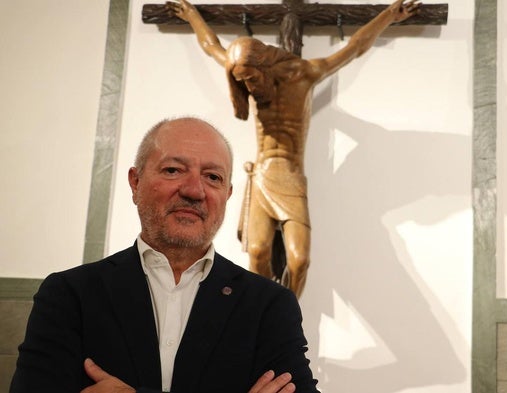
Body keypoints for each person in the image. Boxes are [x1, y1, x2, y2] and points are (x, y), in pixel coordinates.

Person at [10, 117, 319, 393]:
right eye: (174, 170)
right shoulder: (69, 296)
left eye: (213, 177)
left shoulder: (268, 305)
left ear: (227, 195)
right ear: (135, 181)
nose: (195, 190)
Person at [167, 0, 420, 298]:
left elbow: (354, 47)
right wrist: (192, 15)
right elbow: (211, 46)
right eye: (241, 81)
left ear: (264, 64)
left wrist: (389, 15)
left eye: (251, 77)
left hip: (291, 177)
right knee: (258, 252)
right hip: (262, 176)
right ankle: (264, 313)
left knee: (300, 260)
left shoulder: (304, 75)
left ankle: (287, 312)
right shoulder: (246, 78)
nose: (248, 86)